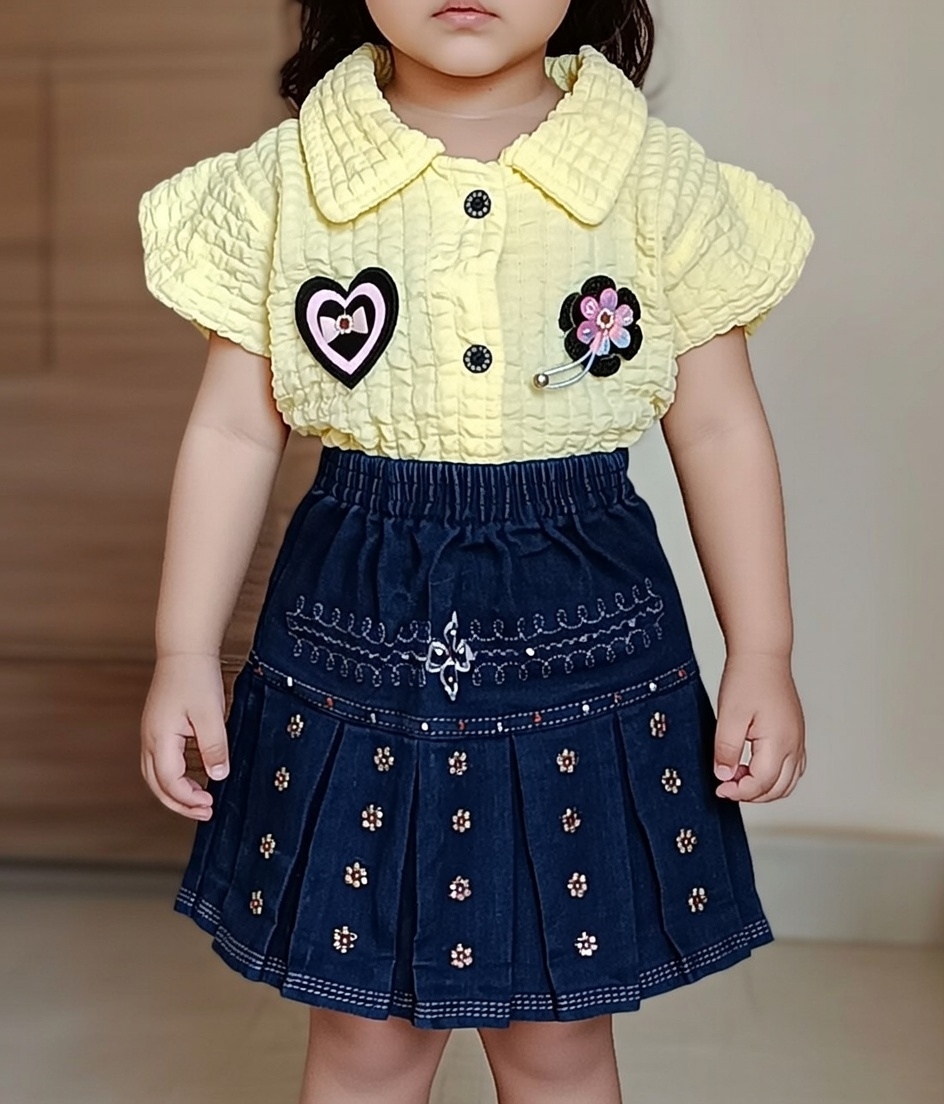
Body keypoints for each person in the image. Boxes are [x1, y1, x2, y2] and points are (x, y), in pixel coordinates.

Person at [138, 1, 813, 1101]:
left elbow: (720, 427)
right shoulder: (284, 180)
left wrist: (764, 651)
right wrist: (180, 652)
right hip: (354, 631)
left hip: (583, 636)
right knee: (365, 1037)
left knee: (559, 1039)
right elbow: (232, 430)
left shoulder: (655, 179)